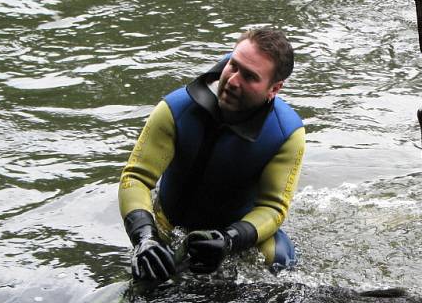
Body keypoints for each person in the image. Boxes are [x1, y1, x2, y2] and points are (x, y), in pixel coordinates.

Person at [118, 28, 305, 282]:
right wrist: (145, 237)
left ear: (274, 88)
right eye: (234, 66)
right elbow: (136, 177)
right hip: (170, 225)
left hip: (232, 232)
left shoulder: (286, 133)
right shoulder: (176, 109)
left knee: (281, 259)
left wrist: (229, 240)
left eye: (250, 77)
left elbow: (273, 207)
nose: (233, 81)